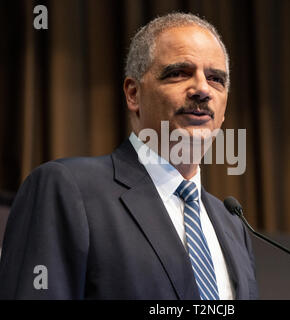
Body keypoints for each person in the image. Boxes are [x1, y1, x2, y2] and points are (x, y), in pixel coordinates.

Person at [0, 12, 258, 300]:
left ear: (223, 111)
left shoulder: (233, 225)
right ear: (134, 94)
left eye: (216, 79)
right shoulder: (67, 189)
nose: (202, 89)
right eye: (179, 73)